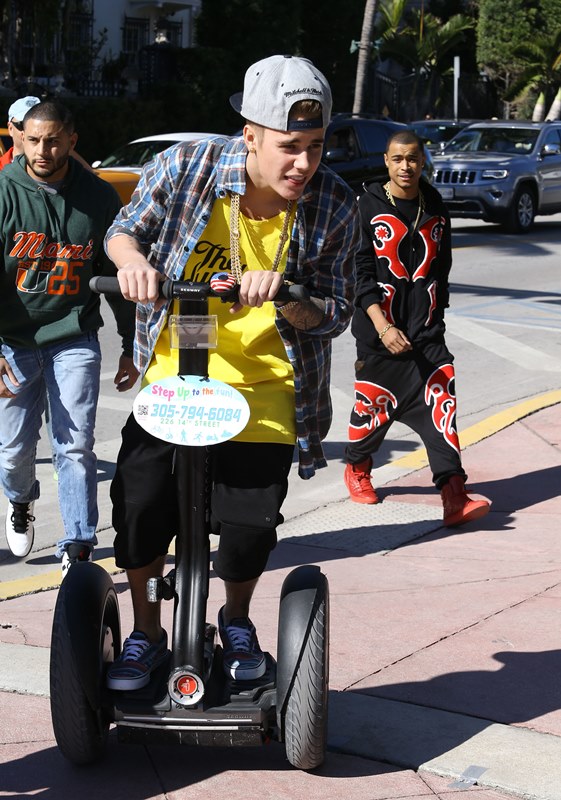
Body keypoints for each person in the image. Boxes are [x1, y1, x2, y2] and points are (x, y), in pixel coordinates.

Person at [104, 54, 360, 690]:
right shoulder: (185, 167)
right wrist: (133, 263)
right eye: (288, 147)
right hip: (176, 378)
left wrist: (289, 298)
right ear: (250, 135)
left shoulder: (333, 203)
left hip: (266, 387)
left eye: (315, 146)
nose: (304, 163)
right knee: (139, 506)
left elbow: (335, 313)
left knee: (248, 528)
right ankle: (146, 632)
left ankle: (237, 619)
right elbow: (123, 231)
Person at [0, 100, 138, 568]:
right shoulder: (4, 192)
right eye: (34, 140)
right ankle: (21, 501)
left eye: (53, 140)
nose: (43, 150)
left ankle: (77, 545)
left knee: (74, 445)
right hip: (13, 342)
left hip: (74, 337)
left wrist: (129, 344)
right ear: (21, 139)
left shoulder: (98, 197)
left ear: (71, 141)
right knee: (13, 452)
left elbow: (117, 278)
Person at [343, 129, 490, 527]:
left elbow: (442, 268)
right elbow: (360, 275)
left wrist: (435, 317)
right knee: (374, 411)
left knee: (442, 409)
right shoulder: (366, 206)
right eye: (397, 159)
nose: (405, 166)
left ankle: (454, 494)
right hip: (380, 336)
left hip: (426, 336)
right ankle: (357, 467)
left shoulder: (435, 205)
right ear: (386, 162)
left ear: (422, 161)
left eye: (412, 158)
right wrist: (383, 327)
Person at [0, 95, 95, 173]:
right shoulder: (3, 171)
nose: (29, 130)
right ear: (10, 128)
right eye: (22, 124)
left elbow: (90, 179)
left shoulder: (65, 162)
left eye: (40, 124)